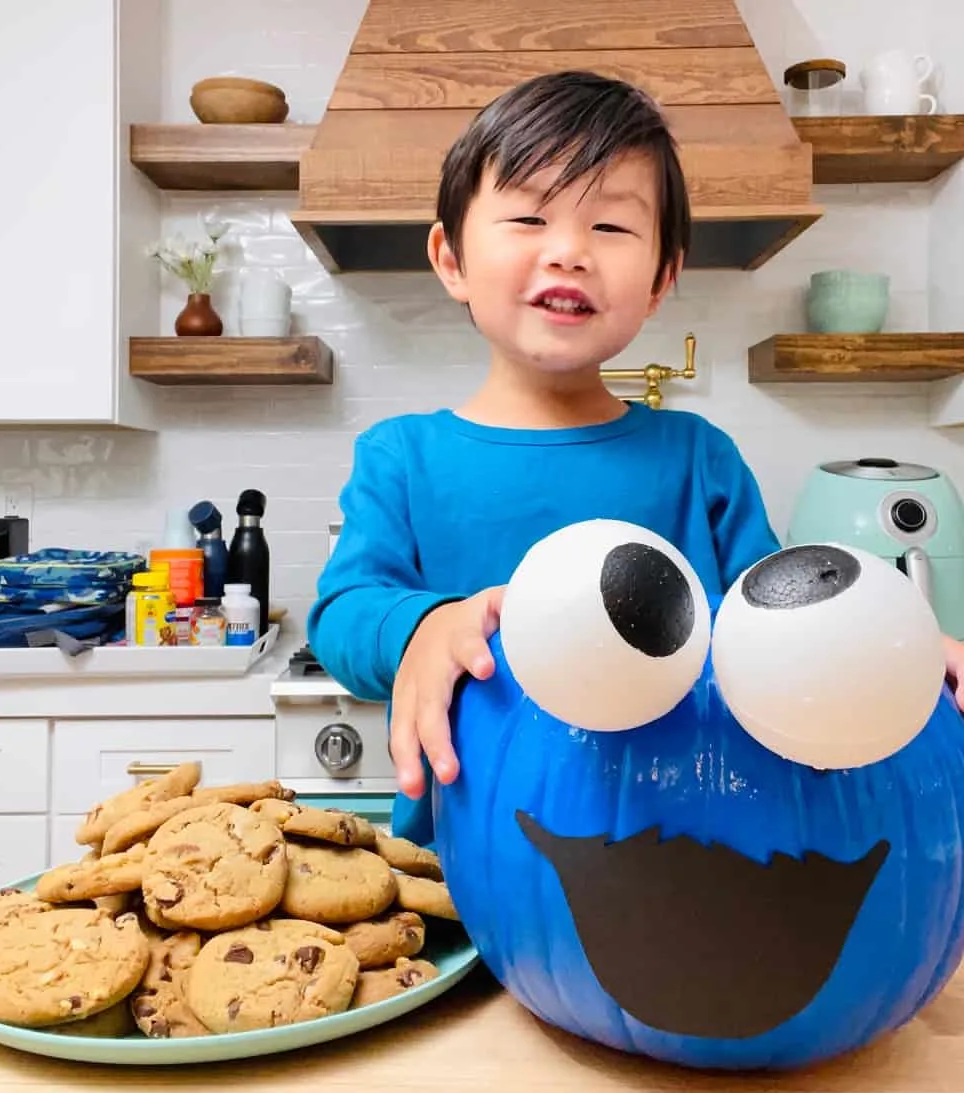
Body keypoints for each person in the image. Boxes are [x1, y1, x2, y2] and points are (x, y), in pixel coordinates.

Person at [307, 70, 964, 845]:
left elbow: (777, 630)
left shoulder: (699, 460)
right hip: (467, 872)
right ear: (450, 257)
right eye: (527, 215)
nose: (569, 253)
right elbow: (342, 612)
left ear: (661, 277)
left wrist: (898, 650)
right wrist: (421, 628)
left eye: (611, 228)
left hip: (686, 863)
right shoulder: (401, 457)